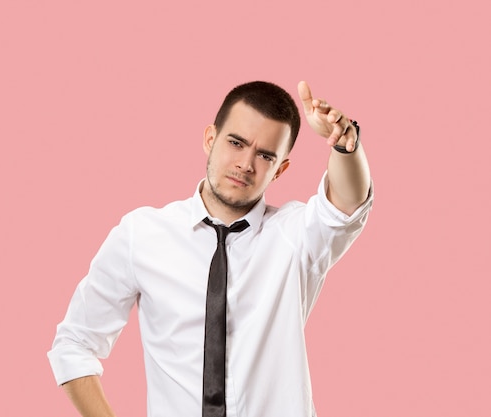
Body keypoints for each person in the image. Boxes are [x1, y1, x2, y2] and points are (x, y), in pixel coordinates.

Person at [48, 80, 373, 417]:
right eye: (236, 143)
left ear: (281, 170)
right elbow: (74, 345)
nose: (246, 164)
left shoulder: (296, 236)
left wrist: (345, 146)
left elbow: (346, 205)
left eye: (265, 156)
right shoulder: (141, 235)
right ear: (210, 139)